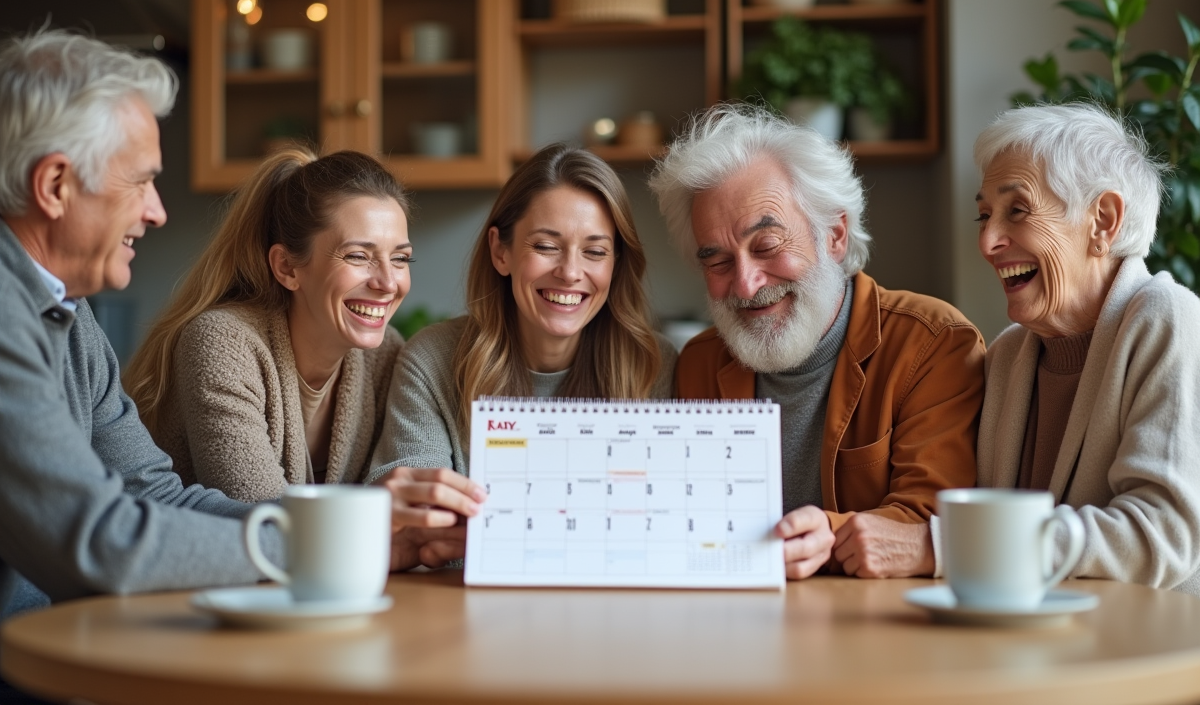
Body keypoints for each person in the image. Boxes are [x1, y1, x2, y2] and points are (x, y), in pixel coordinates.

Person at [0, 30, 282, 701]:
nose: (157, 213)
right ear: (57, 185)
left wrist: (337, 524)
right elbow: (100, 542)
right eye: (144, 183)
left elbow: (150, 492)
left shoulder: (68, 314)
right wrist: (318, 556)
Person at [649, 104, 983, 581]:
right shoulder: (700, 362)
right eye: (718, 261)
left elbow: (936, 525)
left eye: (766, 247)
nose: (745, 284)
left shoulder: (932, 344)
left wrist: (830, 534)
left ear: (834, 236)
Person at [367, 144, 677, 566]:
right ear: (501, 252)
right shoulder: (432, 361)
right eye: (547, 246)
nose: (570, 272)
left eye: (595, 251)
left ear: (616, 264)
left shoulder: (654, 366)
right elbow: (416, 524)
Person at [971, 102, 1200, 594]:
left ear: (1103, 220)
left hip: (1142, 653)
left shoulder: (1168, 318)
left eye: (1018, 210)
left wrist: (958, 545)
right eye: (984, 214)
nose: (988, 240)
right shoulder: (1009, 356)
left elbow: (1160, 536)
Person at [124, 148, 408, 503]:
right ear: (287, 267)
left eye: (400, 258)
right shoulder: (221, 343)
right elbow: (262, 520)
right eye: (358, 256)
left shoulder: (387, 357)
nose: (388, 282)